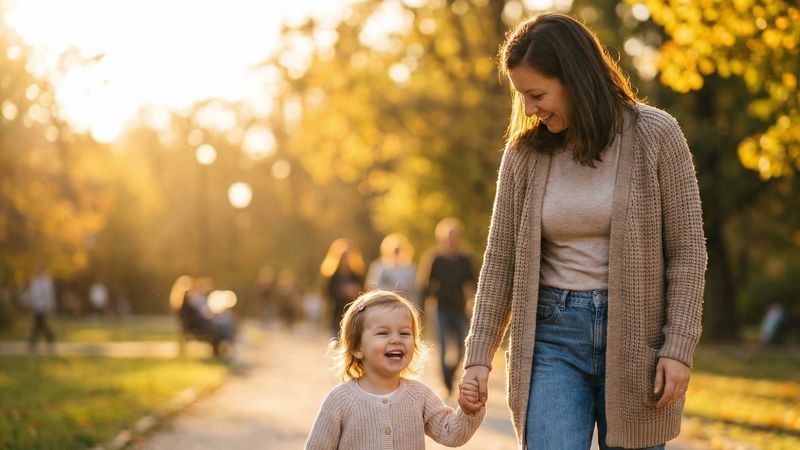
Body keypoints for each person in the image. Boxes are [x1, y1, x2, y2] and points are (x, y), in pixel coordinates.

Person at [460, 13, 707, 450]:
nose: (529, 109)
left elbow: (688, 252)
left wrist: (678, 347)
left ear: (575, 78)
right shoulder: (525, 154)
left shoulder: (656, 134)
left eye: (537, 94)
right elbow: (500, 259)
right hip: (551, 337)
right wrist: (478, 356)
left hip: (637, 342)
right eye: (522, 97)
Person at [305, 290, 484, 450]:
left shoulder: (419, 395)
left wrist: (468, 411)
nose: (396, 340)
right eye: (383, 333)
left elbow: (451, 434)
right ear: (357, 348)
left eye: (405, 333)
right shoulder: (340, 400)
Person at [418, 217, 477, 395]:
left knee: (461, 347)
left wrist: (475, 306)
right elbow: (425, 287)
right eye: (449, 236)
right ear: (442, 238)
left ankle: (450, 375)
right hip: (441, 309)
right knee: (443, 347)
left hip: (460, 309)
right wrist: (423, 312)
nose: (452, 239)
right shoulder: (435, 259)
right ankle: (447, 384)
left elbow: (473, 285)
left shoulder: (465, 259)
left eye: (455, 236)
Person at [320, 238, 365, 336]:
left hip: (353, 314)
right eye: (342, 257)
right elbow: (327, 293)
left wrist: (355, 291)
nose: (345, 260)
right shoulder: (332, 275)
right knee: (336, 340)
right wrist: (342, 292)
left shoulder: (357, 275)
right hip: (336, 314)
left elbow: (364, 293)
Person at [365, 233, 419, 306]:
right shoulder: (378, 266)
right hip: (383, 304)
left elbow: (415, 289)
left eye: (399, 250)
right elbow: (371, 286)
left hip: (403, 305)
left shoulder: (410, 268)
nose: (396, 253)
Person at [27, 264, 56, 353]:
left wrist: (49, 305)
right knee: (39, 323)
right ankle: (48, 338)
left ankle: (35, 340)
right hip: (36, 305)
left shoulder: (46, 281)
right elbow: (32, 294)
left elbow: (49, 294)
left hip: (43, 305)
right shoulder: (34, 280)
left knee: (39, 323)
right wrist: (31, 304)